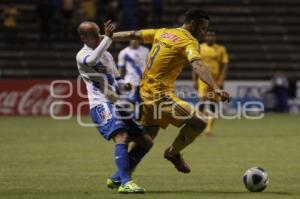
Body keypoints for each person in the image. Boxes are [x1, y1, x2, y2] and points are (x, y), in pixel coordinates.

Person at [110, 9, 231, 178]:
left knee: (147, 138)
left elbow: (133, 34)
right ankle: (172, 153)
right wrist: (215, 88)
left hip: (145, 91)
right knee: (199, 122)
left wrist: (106, 37)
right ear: (193, 24)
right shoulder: (189, 41)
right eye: (203, 28)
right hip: (159, 97)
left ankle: (119, 177)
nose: (204, 33)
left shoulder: (163, 32)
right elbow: (197, 65)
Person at [76, 21, 153, 193]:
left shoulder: (108, 55)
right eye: (93, 34)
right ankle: (126, 182)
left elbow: (116, 78)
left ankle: (117, 177)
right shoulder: (82, 55)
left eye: (98, 32)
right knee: (122, 136)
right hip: (101, 104)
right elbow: (93, 59)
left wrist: (124, 84)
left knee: (146, 142)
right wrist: (109, 38)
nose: (98, 36)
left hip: (116, 102)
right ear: (83, 37)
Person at [193, 31, 229, 136]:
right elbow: (195, 63)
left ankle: (209, 129)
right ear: (205, 37)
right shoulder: (200, 47)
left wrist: (221, 80)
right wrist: (194, 79)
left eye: (212, 35)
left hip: (215, 81)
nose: (210, 37)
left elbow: (225, 65)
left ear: (215, 37)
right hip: (203, 80)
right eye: (208, 35)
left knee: (213, 104)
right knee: (202, 100)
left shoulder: (221, 49)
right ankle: (197, 124)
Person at [118, 40, 149, 119]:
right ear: (130, 40)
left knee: (143, 101)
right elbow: (121, 68)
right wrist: (119, 81)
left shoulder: (146, 50)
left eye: (137, 38)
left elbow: (150, 65)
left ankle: (139, 117)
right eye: (133, 38)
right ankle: (131, 118)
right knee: (131, 100)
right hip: (130, 80)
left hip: (143, 80)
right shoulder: (124, 52)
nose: (135, 40)